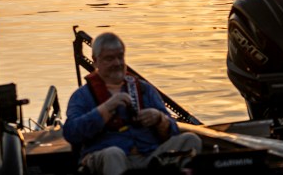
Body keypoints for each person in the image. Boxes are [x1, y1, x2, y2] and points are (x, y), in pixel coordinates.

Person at [63, 33, 200, 175]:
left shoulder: (144, 89)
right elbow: (71, 133)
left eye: (120, 57)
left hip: (149, 154)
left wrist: (160, 119)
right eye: (109, 58)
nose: (117, 63)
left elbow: (173, 130)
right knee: (113, 154)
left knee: (190, 140)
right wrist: (106, 109)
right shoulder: (82, 96)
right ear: (95, 61)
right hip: (108, 156)